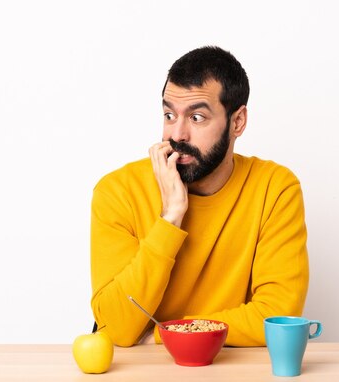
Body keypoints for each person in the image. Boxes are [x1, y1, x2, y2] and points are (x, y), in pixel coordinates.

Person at [90, 46, 309, 347]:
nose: (177, 135)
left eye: (196, 117)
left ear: (237, 122)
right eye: (169, 115)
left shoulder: (274, 189)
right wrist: (171, 218)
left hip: (235, 380)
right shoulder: (119, 191)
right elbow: (115, 328)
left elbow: (278, 318)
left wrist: (164, 334)